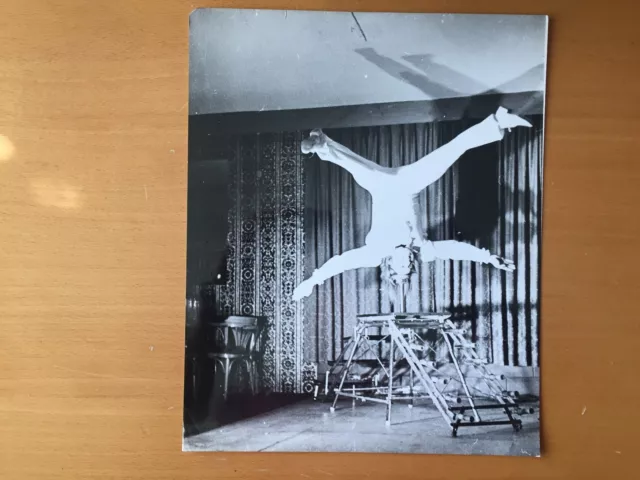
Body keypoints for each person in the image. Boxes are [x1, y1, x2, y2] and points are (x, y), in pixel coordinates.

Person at [292, 107, 531, 301]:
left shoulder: (375, 253)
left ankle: (320, 142)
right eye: (409, 265)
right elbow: (455, 250)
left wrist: (312, 281)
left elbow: (341, 263)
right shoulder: (423, 250)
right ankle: (498, 121)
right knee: (452, 151)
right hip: (409, 184)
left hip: (380, 186)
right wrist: (488, 258)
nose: (406, 261)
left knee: (353, 165)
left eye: (400, 266)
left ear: (389, 266)